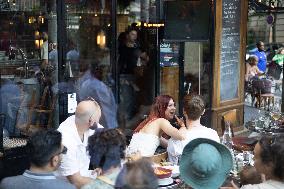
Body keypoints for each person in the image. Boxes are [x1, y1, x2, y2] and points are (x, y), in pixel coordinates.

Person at [0, 130, 76, 189]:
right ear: (54, 160)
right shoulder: (68, 188)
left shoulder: (7, 184)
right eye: (63, 151)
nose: (63, 155)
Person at [56, 99, 104, 189]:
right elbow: (76, 181)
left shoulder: (83, 122)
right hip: (67, 186)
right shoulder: (65, 140)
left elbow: (108, 140)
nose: (99, 122)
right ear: (91, 122)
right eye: (98, 118)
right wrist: (107, 183)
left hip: (87, 179)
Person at [167, 94, 220, 164]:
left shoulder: (175, 141)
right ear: (203, 111)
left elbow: (172, 168)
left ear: (184, 111)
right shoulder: (213, 134)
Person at [79, 62, 118, 129]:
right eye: (105, 69)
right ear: (97, 71)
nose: (107, 73)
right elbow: (105, 109)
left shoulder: (89, 83)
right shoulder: (95, 85)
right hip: (104, 127)